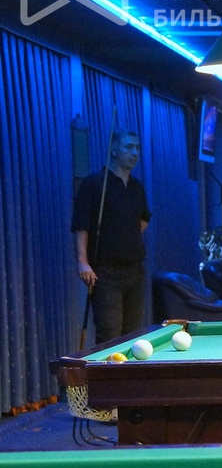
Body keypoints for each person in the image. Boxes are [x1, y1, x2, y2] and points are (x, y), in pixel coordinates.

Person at [72, 128, 151, 344]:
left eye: (137, 148)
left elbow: (144, 219)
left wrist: (124, 235)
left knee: (133, 337)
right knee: (110, 335)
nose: (134, 153)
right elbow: (81, 225)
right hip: (106, 273)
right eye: (129, 147)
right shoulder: (94, 183)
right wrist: (82, 261)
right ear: (113, 150)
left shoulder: (136, 187)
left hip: (135, 271)